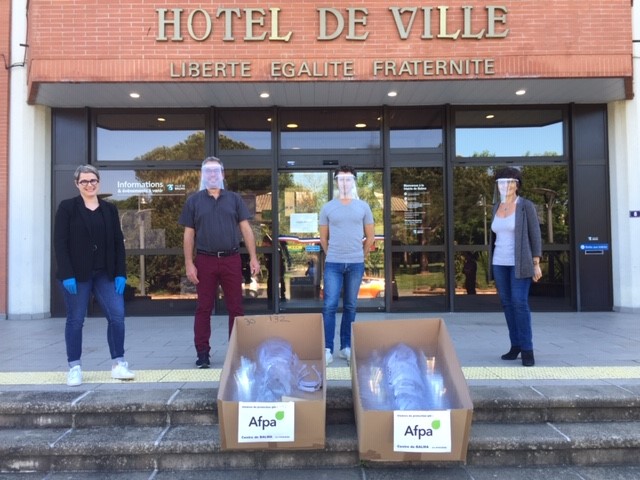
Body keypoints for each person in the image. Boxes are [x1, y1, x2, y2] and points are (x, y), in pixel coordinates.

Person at [53, 165, 135, 387]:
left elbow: (118, 242)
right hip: (76, 275)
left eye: (93, 180)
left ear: (98, 181)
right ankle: (75, 367)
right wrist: (67, 274)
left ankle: (119, 364)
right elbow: (60, 243)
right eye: (84, 181)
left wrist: (121, 273)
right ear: (76, 184)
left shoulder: (109, 209)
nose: (89, 185)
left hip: (105, 273)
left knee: (117, 316)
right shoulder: (67, 208)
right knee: (76, 320)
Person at [179, 157, 260, 369]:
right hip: (204, 260)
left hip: (231, 259)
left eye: (216, 171)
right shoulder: (193, 201)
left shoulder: (234, 199)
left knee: (236, 308)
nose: (212, 175)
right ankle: (203, 353)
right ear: (203, 175)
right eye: (208, 171)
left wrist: (253, 257)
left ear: (223, 175)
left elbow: (246, 229)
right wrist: (189, 262)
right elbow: (188, 235)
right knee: (203, 308)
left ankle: (237, 352)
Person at [319, 165, 375, 366]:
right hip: (333, 263)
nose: (344, 182)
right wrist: (331, 254)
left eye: (348, 179)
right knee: (329, 306)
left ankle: (345, 347)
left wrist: (361, 254)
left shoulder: (363, 207)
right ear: (336, 182)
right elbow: (323, 238)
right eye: (340, 179)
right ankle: (327, 348)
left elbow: (370, 236)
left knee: (350, 306)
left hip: (355, 264)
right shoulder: (327, 207)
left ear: (353, 182)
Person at [490, 167, 543, 367]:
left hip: (520, 263)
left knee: (519, 302)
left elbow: (535, 235)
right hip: (499, 262)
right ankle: (516, 345)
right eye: (502, 182)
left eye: (511, 182)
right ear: (498, 186)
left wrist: (536, 262)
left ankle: (527, 349)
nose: (506, 185)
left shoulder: (525, 206)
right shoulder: (496, 207)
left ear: (517, 184)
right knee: (507, 303)